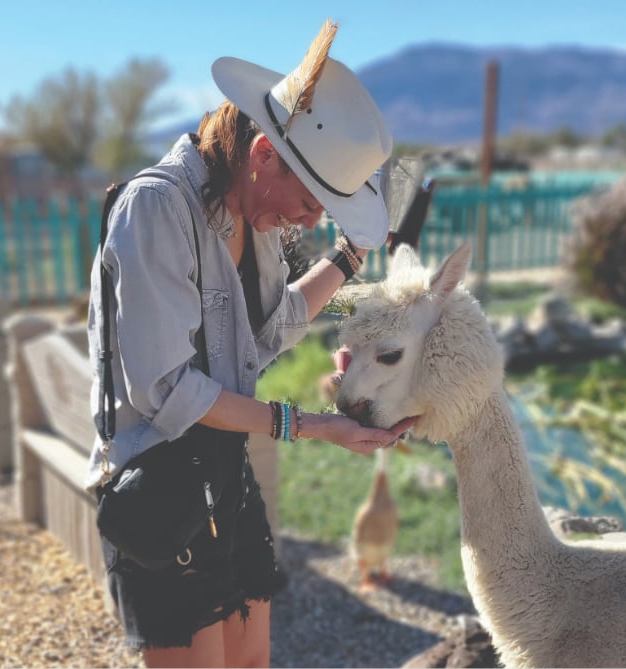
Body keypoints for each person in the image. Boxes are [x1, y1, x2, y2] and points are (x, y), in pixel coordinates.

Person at [84, 18, 413, 669]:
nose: (309, 221)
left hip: (224, 470)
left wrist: (349, 258)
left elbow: (270, 330)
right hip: (160, 483)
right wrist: (309, 424)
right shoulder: (157, 208)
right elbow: (169, 387)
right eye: (312, 201)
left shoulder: (249, 214)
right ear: (264, 155)